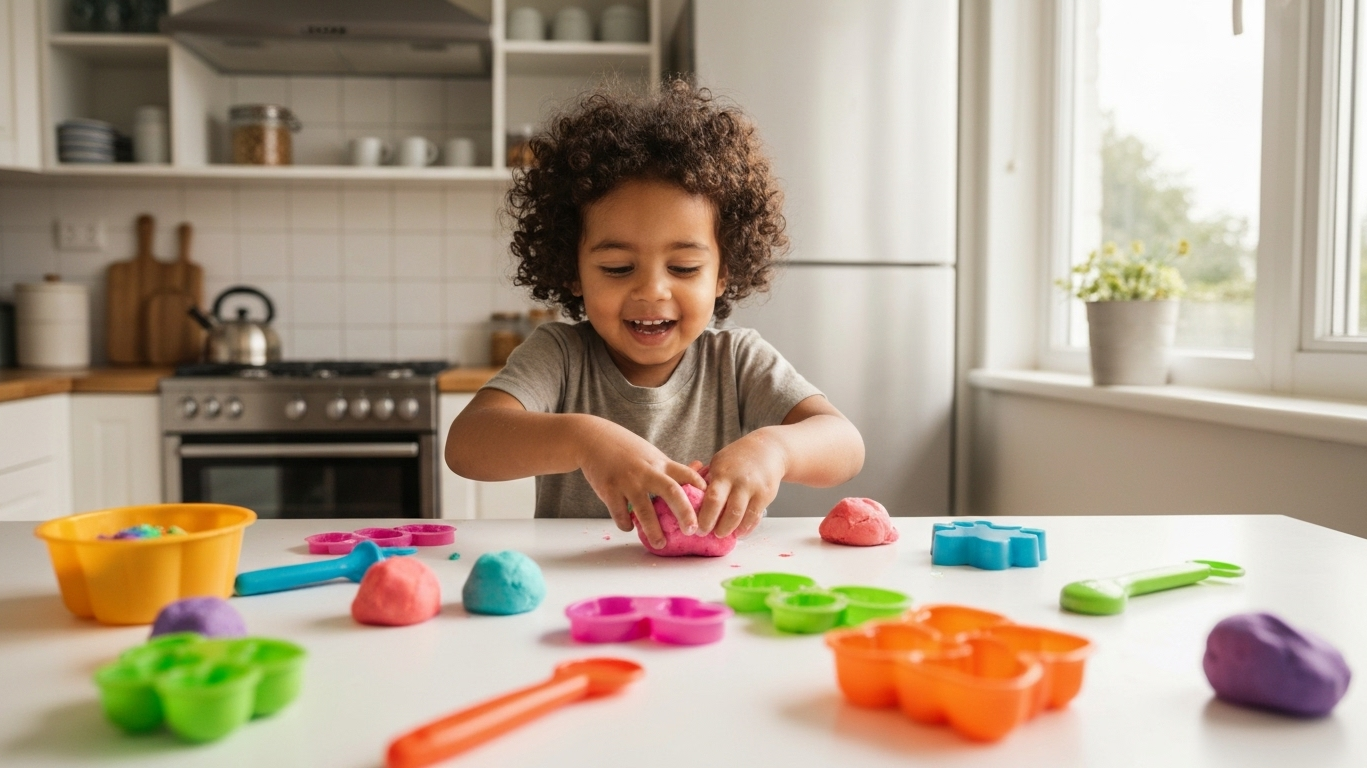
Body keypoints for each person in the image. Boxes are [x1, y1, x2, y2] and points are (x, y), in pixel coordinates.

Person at [445, 80, 864, 549]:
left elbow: (845, 443)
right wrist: (586, 440)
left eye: (684, 267)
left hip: (709, 596)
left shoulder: (737, 359)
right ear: (573, 271)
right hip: (581, 594)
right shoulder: (560, 356)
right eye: (618, 268)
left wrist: (776, 449)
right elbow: (466, 445)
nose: (651, 290)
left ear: (724, 272)